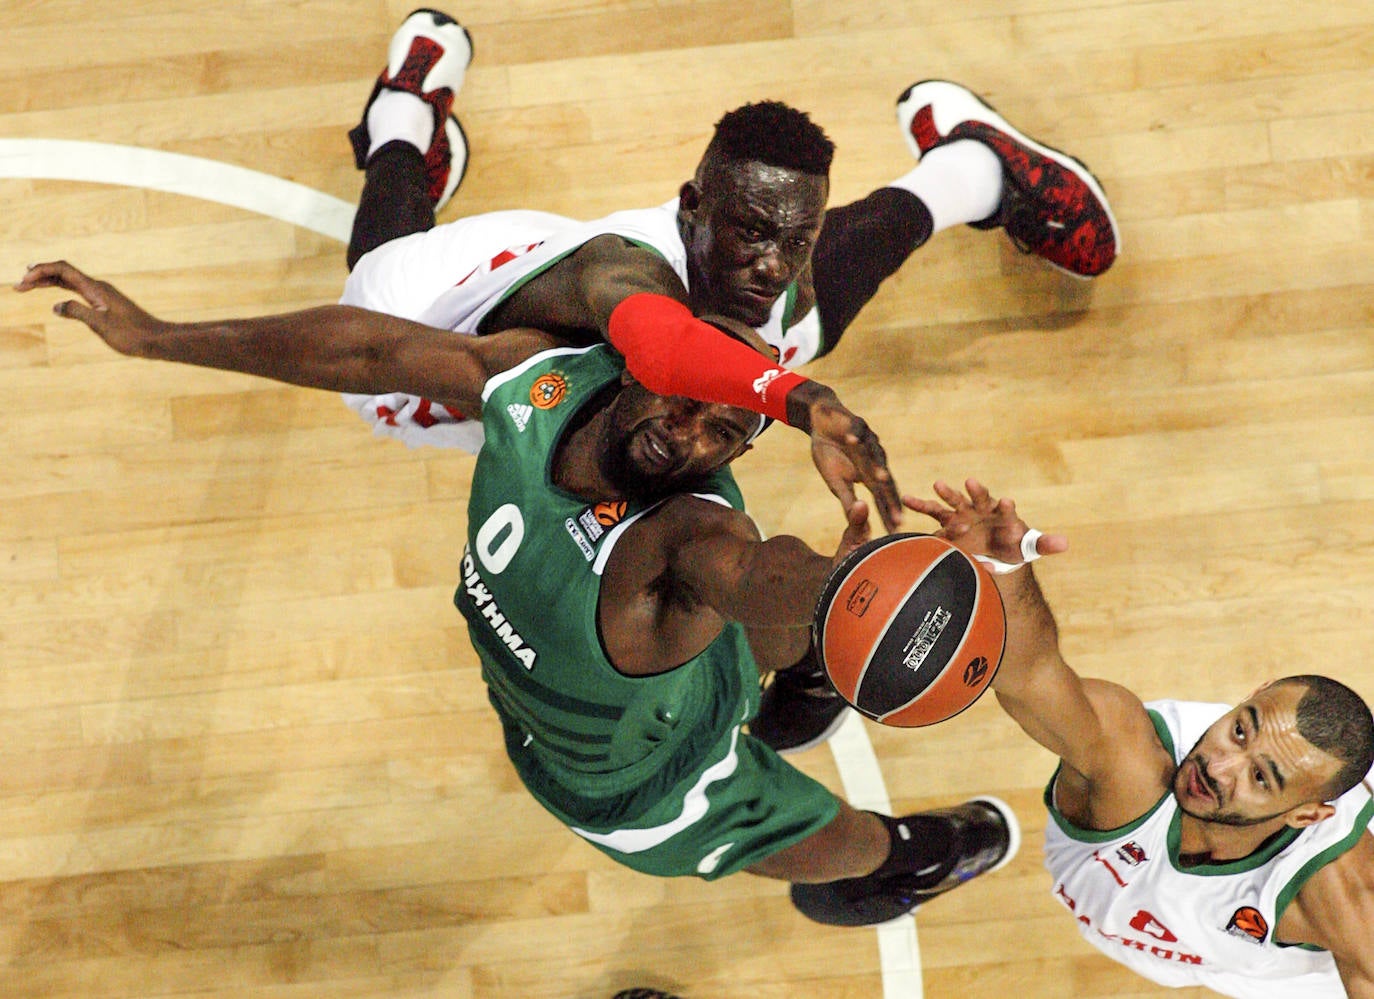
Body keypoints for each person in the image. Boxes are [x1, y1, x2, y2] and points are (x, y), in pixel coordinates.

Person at [18, 259, 1020, 926]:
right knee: (754, 638)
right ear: (642, 362)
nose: (690, 433)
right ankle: (799, 678)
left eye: (726, 431)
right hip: (597, 716)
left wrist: (883, 581)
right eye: (685, 392)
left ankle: (903, 857)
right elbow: (367, 351)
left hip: (652, 784)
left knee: (834, 835)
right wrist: (157, 337)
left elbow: (762, 572)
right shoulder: (541, 379)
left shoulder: (693, 536)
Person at [337, 8, 1121, 754]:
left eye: (795, 239)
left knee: (798, 320)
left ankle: (971, 166)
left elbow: (776, 292)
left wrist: (869, 579)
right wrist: (802, 404)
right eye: (749, 233)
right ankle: (403, 121)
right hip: (417, 321)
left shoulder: (751, 277)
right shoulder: (624, 274)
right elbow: (655, 341)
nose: (773, 265)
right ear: (692, 211)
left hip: (590, 373)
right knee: (390, 251)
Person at [906, 478, 1374, 998]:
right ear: (1251, 695)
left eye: (1260, 778)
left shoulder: (1342, 894)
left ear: (1305, 816)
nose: (1218, 767)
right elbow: (1030, 676)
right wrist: (1003, 574)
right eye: (1240, 730)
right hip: (1162, 914)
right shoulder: (1131, 758)